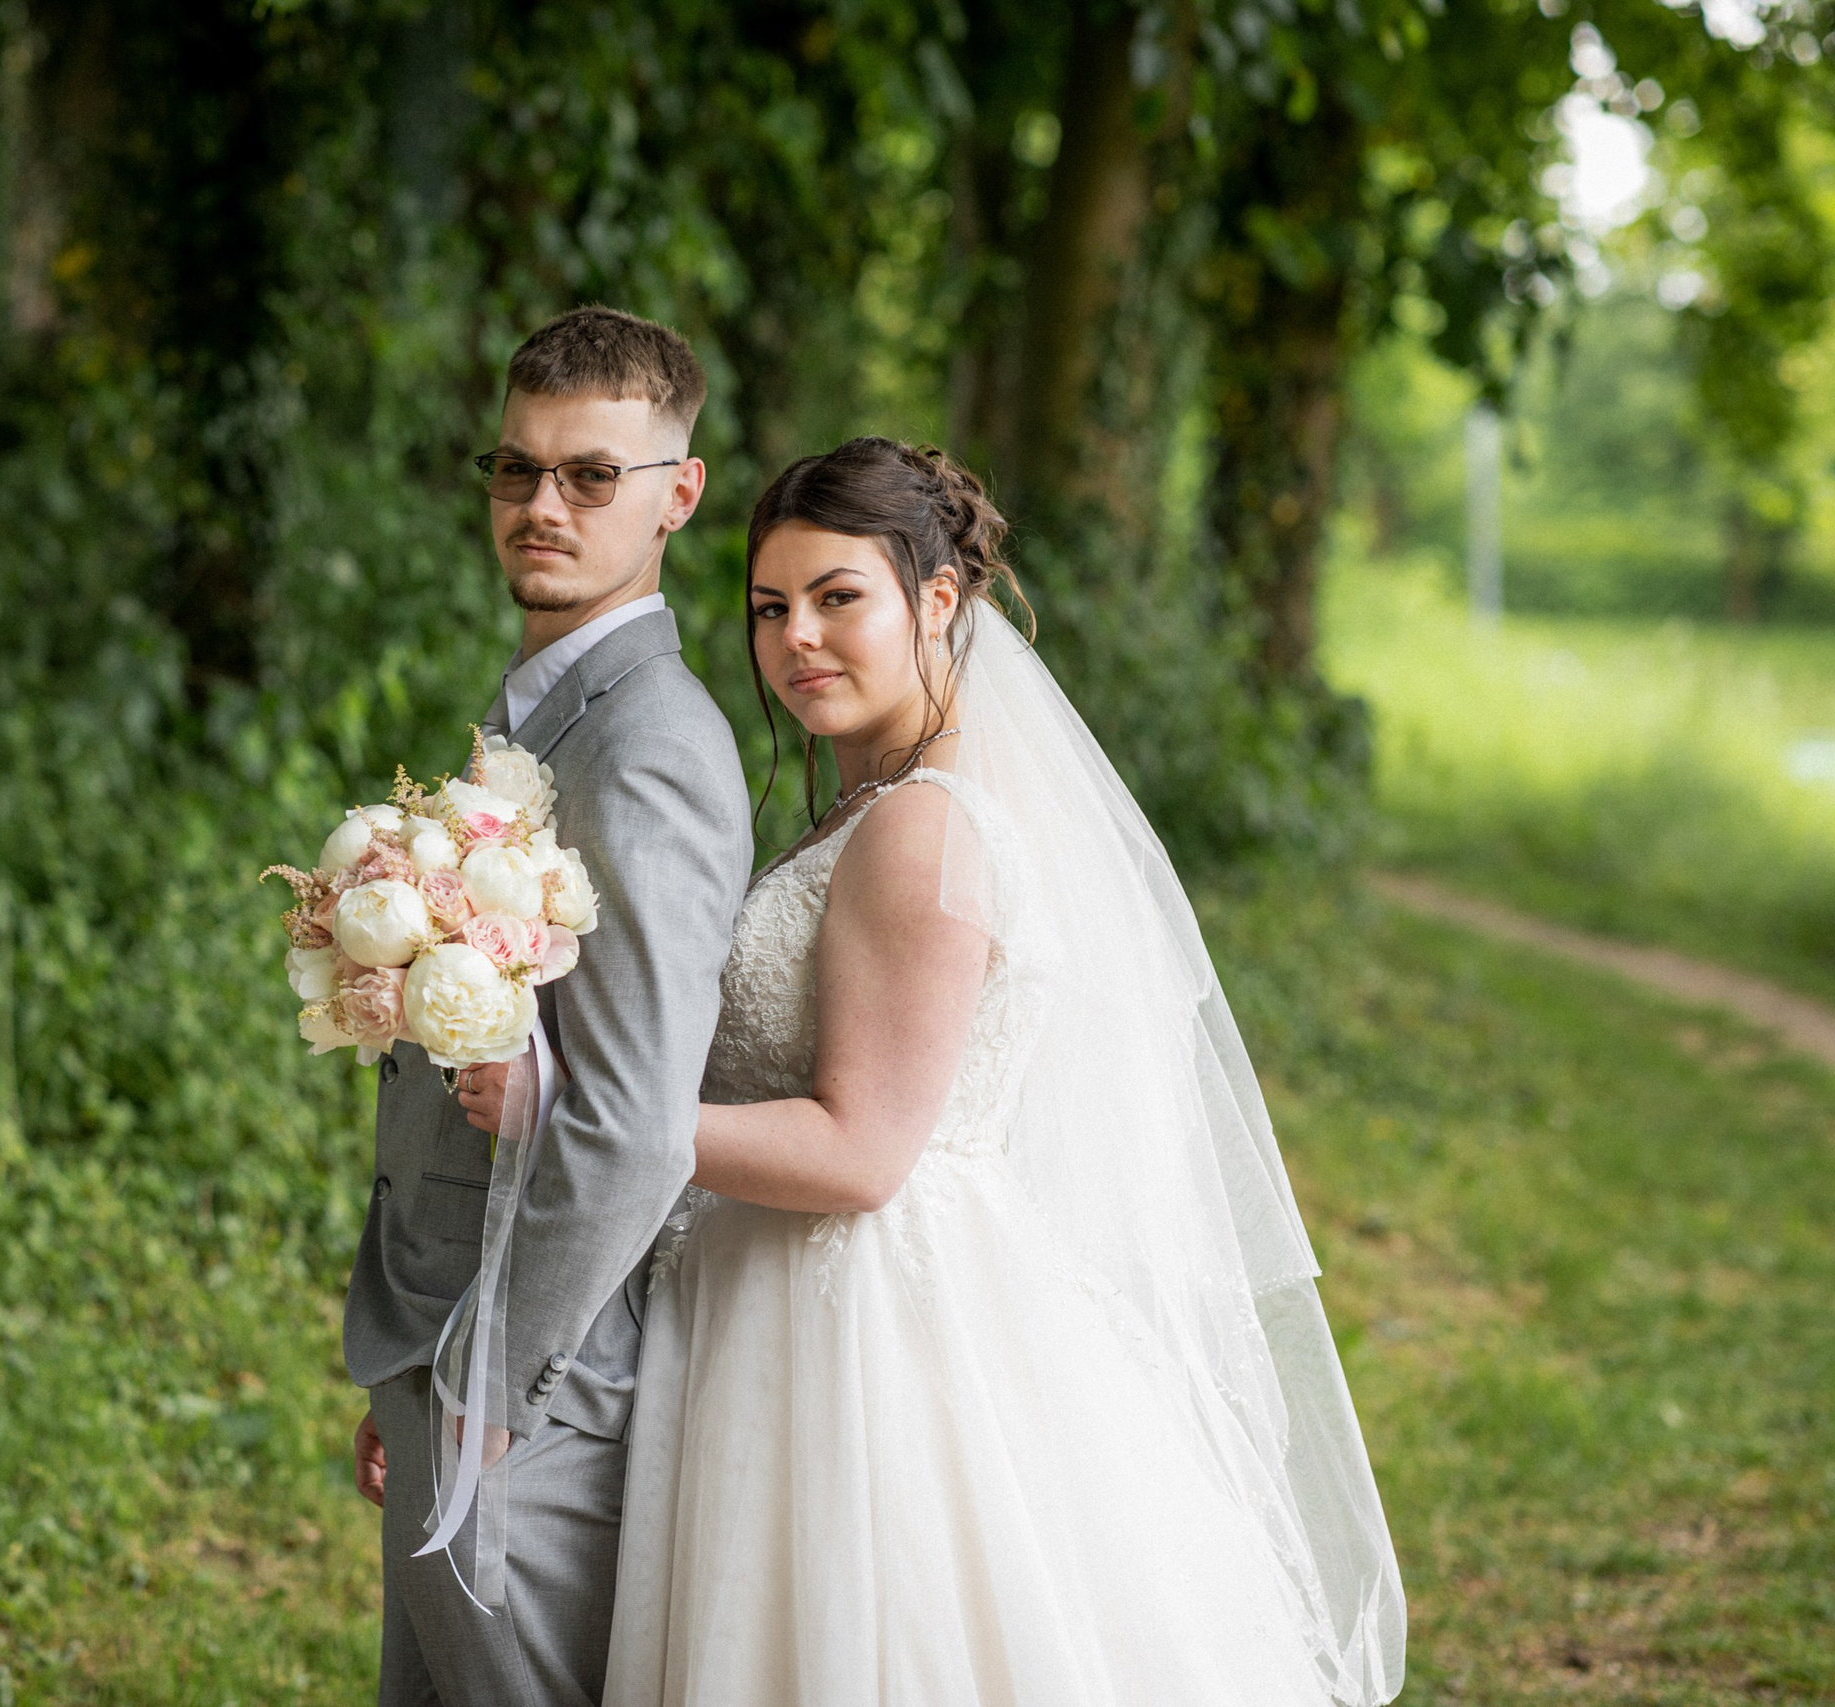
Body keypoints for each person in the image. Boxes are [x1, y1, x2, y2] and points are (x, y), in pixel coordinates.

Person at [468, 437, 1405, 1705]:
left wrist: (571, 1110)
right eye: (768, 607)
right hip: (779, 1290)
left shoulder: (918, 832)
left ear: (939, 602)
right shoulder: (880, 807)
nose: (796, 637)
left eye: (837, 597)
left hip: (859, 1324)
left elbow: (863, 1155)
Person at [342, 305, 754, 1706]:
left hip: (539, 1377)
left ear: (678, 494)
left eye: (592, 475)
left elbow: (635, 1122)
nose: (541, 505)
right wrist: (412, 1354)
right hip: (448, 1324)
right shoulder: (543, 710)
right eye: (517, 469)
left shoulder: (649, 750)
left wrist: (484, 1387)